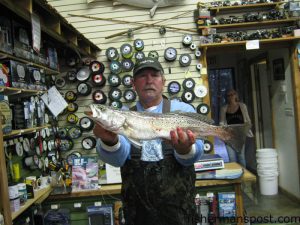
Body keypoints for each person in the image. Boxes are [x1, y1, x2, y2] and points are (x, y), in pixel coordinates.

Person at [93, 57, 204, 225]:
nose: (149, 80)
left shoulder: (183, 111)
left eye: (154, 75)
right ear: (133, 84)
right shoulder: (123, 115)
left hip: (180, 213)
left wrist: (184, 149)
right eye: (142, 76)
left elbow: (196, 154)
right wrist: (110, 142)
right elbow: (117, 159)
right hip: (137, 214)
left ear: (163, 81)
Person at [219, 89, 253, 167]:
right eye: (229, 95)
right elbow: (221, 123)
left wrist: (245, 130)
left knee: (241, 157)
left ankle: (244, 176)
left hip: (240, 136)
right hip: (229, 136)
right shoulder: (224, 108)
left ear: (236, 95)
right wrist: (223, 133)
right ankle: (235, 176)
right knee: (232, 159)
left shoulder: (242, 106)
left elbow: (248, 121)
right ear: (227, 97)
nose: (231, 96)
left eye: (233, 94)